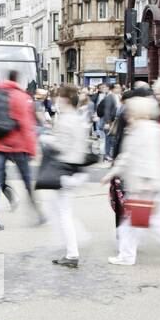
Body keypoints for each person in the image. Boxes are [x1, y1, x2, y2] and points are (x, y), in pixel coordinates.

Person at [103, 96, 160, 267]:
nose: (127, 115)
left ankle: (129, 256)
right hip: (150, 184)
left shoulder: (143, 131)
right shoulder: (149, 129)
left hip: (145, 185)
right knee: (147, 224)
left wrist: (117, 174)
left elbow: (142, 159)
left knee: (146, 225)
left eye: (130, 112)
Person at [0, 69, 42, 231]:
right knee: (27, 181)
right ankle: (37, 214)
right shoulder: (21, 97)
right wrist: (32, 150)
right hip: (18, 145)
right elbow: (26, 125)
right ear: (18, 80)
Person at [43, 84, 90, 268]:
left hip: (65, 171)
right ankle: (74, 245)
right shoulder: (77, 118)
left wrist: (44, 138)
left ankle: (72, 252)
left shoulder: (65, 119)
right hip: (75, 170)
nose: (57, 101)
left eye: (59, 97)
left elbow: (61, 146)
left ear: (66, 99)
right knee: (61, 210)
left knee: (63, 213)